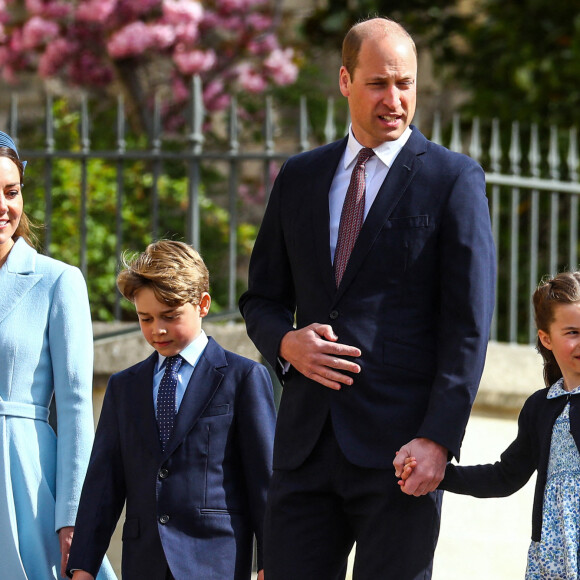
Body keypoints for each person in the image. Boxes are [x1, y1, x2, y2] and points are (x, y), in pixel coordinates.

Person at [238, 16, 496, 579]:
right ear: (345, 80)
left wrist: (437, 439)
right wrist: (287, 343)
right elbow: (261, 297)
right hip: (305, 451)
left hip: (403, 455)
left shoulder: (453, 180)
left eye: (405, 84)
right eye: (378, 83)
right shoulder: (300, 176)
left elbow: (468, 327)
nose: (394, 99)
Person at [67, 240, 276, 580]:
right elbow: (102, 484)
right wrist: (83, 566)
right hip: (144, 562)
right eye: (144, 318)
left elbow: (264, 479)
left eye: (170, 316)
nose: (156, 329)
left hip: (215, 562)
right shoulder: (124, 387)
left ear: (203, 304)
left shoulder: (244, 378)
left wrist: (273, 561)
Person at [401, 271, 580, 578]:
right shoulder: (540, 407)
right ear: (546, 338)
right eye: (573, 332)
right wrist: (439, 476)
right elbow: (504, 477)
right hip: (553, 560)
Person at [0, 131, 116, 580]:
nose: (4, 206)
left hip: (26, 480)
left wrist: (73, 516)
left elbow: (74, 408)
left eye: (12, 192)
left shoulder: (57, 281)